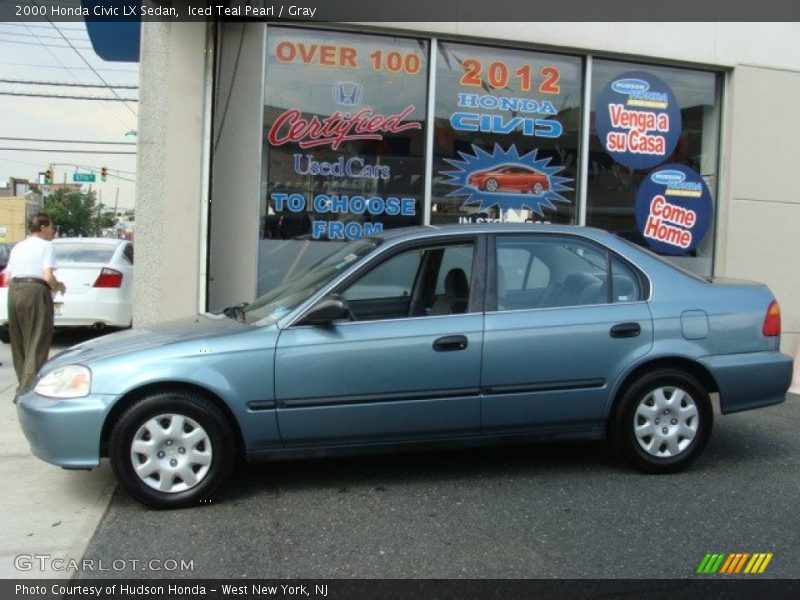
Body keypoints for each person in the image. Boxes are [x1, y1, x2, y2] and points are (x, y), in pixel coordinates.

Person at [5, 213, 66, 397]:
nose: (53, 231)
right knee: (38, 340)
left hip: (14, 291)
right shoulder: (46, 246)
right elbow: (47, 276)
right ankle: (27, 390)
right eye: (51, 227)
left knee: (19, 341)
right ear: (42, 228)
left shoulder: (18, 246)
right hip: (35, 291)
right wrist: (58, 285)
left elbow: (7, 277)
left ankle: (22, 382)